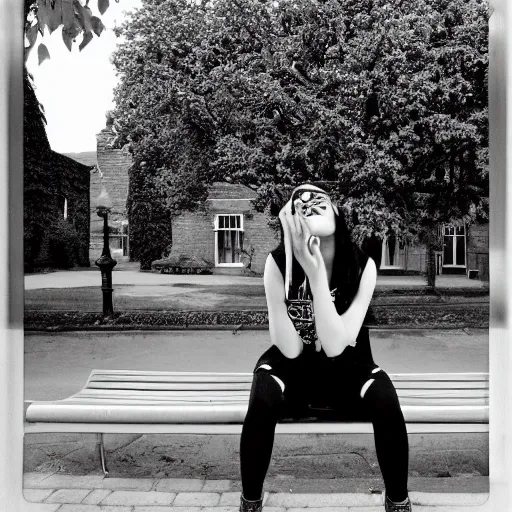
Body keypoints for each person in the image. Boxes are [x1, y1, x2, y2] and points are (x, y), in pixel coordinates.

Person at [239, 184, 411, 512]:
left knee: (386, 397)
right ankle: (250, 501)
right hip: (294, 369)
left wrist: (317, 277)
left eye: (320, 200)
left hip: (349, 368)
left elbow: (336, 345)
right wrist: (298, 262)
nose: (308, 203)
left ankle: (398, 501)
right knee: (263, 391)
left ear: (337, 213)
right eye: (300, 203)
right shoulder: (277, 265)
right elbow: (289, 349)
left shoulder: (363, 267)